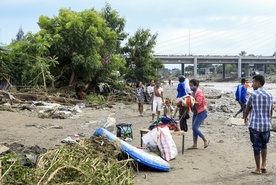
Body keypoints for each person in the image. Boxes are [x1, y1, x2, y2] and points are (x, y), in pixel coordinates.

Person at [244, 75, 273, 175]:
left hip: (255, 125)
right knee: (264, 145)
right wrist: (269, 120)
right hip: (266, 125)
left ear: (257, 82)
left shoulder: (253, 94)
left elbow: (247, 108)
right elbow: (271, 110)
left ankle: (258, 169)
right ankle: (264, 165)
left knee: (256, 146)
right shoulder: (269, 94)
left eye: (253, 82)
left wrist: (245, 118)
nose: (252, 85)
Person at [188, 79, 210, 150]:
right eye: (190, 85)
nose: (190, 87)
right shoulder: (193, 92)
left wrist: (192, 101)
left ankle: (205, 140)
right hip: (196, 112)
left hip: (202, 111)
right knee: (194, 128)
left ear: (195, 85)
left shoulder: (199, 92)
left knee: (195, 127)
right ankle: (195, 144)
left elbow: (199, 103)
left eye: (191, 85)